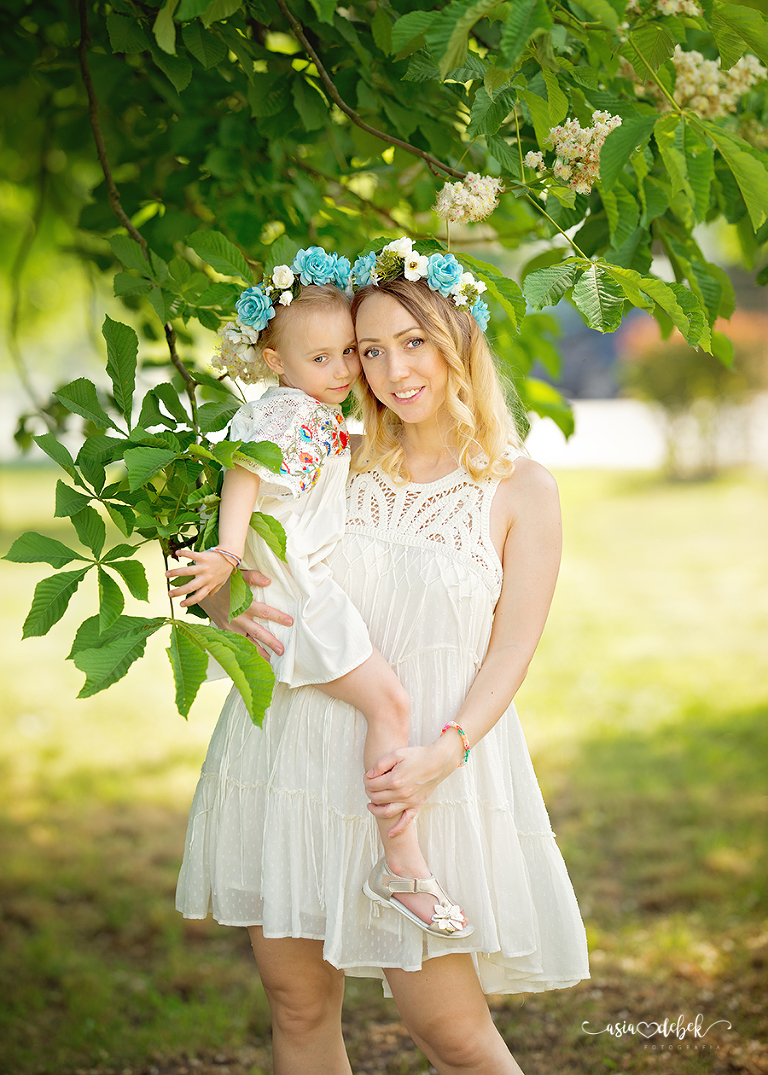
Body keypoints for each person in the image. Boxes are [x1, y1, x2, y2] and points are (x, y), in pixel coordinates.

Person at [175, 239, 589, 1074]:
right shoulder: (331, 452)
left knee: (452, 1034)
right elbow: (247, 571)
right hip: (292, 754)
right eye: (370, 348)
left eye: (414, 342)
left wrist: (448, 749)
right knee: (297, 1007)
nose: (394, 369)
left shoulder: (519, 487)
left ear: (457, 340)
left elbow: (513, 649)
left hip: (418, 772)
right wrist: (226, 592)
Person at [168, 251, 470, 936]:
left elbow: (339, 455)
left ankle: (399, 862)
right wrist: (228, 552)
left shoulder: (310, 411)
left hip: (302, 581)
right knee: (390, 700)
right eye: (321, 359)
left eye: (345, 356)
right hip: (297, 587)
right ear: (276, 362)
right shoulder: (283, 415)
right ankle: (402, 864)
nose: (342, 372)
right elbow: (244, 474)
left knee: (387, 703)